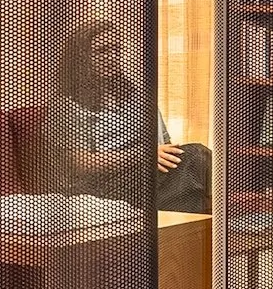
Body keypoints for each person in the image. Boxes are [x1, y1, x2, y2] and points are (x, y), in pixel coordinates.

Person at [48, 19, 214, 215]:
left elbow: (165, 144)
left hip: (145, 175)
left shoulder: (136, 96)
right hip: (104, 186)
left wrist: (162, 155)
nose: (112, 57)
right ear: (83, 58)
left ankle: (206, 233)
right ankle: (233, 219)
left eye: (116, 49)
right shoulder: (67, 104)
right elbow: (78, 164)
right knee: (197, 155)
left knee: (191, 179)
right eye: (102, 51)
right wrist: (142, 155)